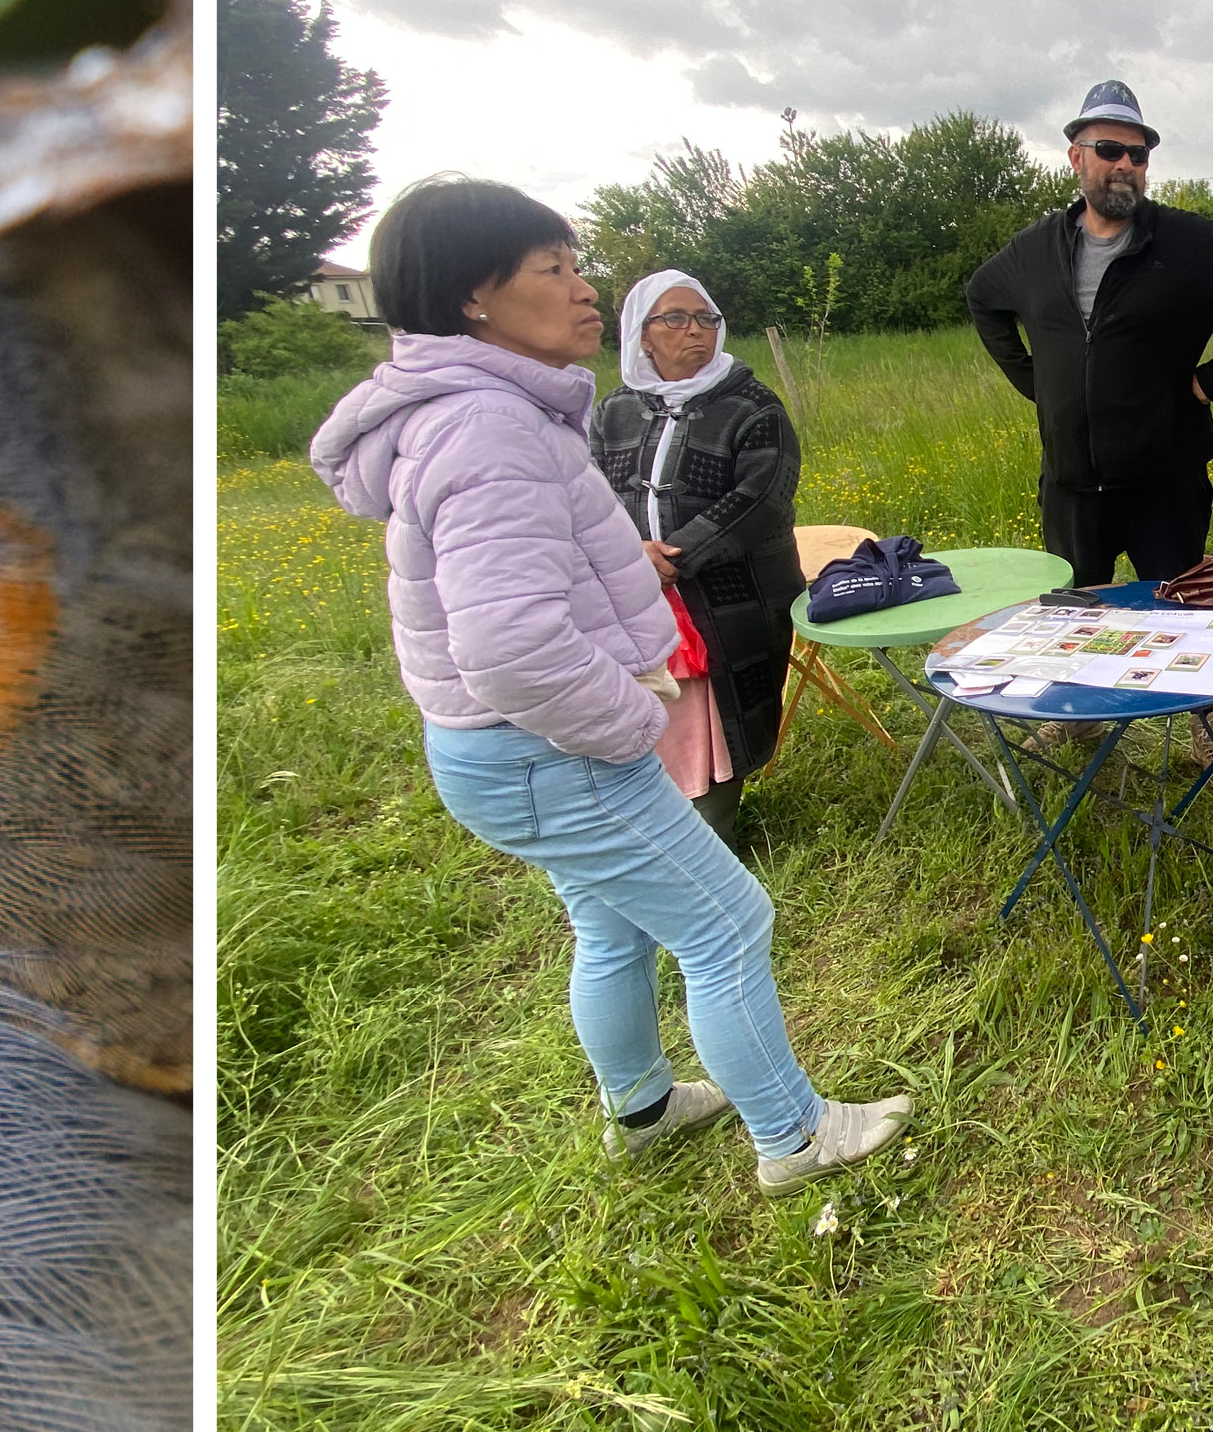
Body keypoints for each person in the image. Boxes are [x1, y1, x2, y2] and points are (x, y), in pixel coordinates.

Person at [309, 176, 908, 1194]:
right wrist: (634, 719)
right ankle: (796, 1137)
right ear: (473, 298)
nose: (588, 291)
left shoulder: (487, 410)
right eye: (555, 268)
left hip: (505, 750)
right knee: (729, 924)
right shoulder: (487, 431)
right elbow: (510, 645)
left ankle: (641, 1106)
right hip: (549, 748)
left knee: (613, 921)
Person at [964, 79, 1213, 770]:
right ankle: (1078, 716)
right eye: (1110, 149)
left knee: (1182, 604)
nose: (1126, 164)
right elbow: (982, 298)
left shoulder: (1186, 243)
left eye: (1139, 153)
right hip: (1073, 480)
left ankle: (1204, 725)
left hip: (1166, 474)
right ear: (1076, 157)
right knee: (1078, 607)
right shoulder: (1036, 250)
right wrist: (1037, 387)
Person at [589, 270, 804, 846]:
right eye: (676, 319)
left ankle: (715, 833)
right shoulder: (613, 411)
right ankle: (653, 825)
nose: (697, 331)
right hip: (632, 595)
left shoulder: (751, 405)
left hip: (733, 594)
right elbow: (587, 496)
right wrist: (626, 555)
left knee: (719, 716)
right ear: (642, 334)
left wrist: (672, 559)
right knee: (650, 710)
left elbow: (761, 497)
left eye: (707, 318)